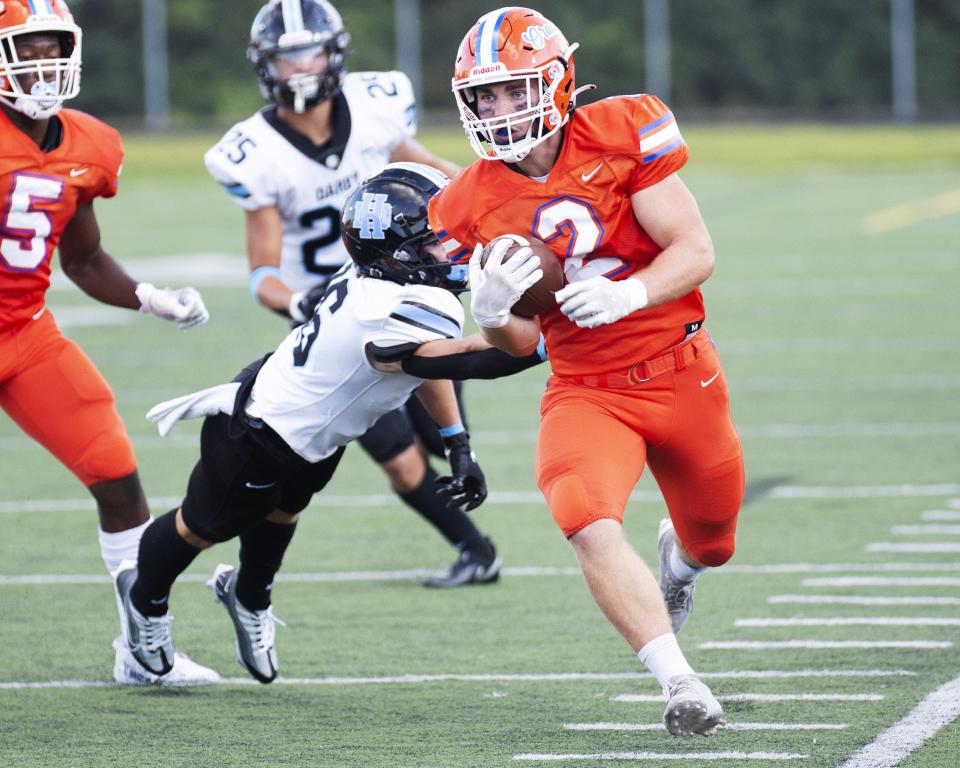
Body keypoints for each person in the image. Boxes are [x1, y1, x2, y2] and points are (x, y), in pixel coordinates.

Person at [428, 7, 745, 737]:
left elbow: (695, 250)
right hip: (585, 386)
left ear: (555, 80)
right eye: (484, 96)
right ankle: (681, 683)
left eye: (512, 90)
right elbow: (515, 344)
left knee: (714, 542)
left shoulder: (622, 128)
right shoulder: (469, 201)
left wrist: (629, 292)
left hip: (679, 366)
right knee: (582, 514)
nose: (497, 109)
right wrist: (490, 310)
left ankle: (682, 563)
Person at [115, 163, 546, 683]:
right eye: (436, 240)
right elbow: (475, 359)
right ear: (400, 252)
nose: (452, 247)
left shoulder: (393, 283)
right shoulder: (387, 311)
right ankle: (144, 601)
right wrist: (555, 334)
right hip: (261, 432)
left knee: (285, 510)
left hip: (316, 433)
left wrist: (457, 443)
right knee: (202, 527)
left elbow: (428, 367)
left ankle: (248, 597)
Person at [203, 0, 501, 588]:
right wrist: (295, 302)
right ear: (265, 65)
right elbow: (262, 272)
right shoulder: (255, 151)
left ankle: (475, 544)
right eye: (285, 58)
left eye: (308, 52)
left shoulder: (374, 107)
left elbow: (438, 176)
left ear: (334, 52)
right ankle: (477, 550)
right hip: (341, 317)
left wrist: (489, 208)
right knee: (397, 457)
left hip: (416, 294)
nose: (300, 69)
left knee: (441, 444)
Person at [0, 0, 217, 684]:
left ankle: (141, 653)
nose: (42, 63)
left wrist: (147, 297)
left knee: (118, 478)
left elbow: (84, 259)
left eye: (50, 46)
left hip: (27, 334)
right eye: (25, 48)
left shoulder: (88, 143)